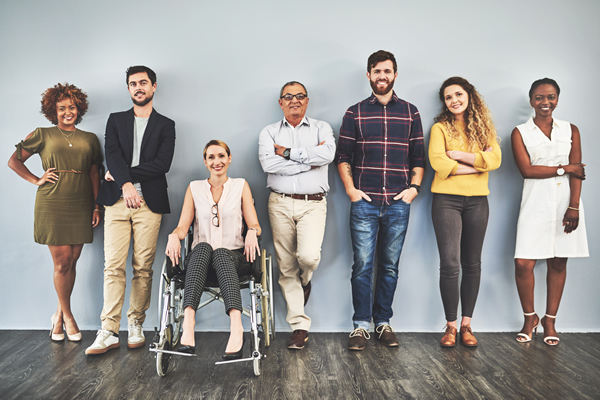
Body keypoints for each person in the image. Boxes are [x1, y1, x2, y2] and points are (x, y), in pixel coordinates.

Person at [335, 50, 425, 351]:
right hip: (364, 201)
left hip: (399, 201)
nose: (382, 76)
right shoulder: (355, 112)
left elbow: (419, 157)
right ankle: (361, 326)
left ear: (395, 74)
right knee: (362, 265)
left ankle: (383, 322)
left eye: (387, 71)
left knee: (389, 266)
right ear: (369, 75)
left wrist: (413, 188)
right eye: (376, 71)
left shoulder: (410, 112)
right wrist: (351, 190)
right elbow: (343, 156)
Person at [86, 66, 176, 355]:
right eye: (132, 84)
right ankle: (109, 330)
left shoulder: (166, 125)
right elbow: (111, 154)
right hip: (115, 202)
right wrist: (125, 184)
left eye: (143, 83)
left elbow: (162, 165)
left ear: (153, 86)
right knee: (112, 266)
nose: (138, 87)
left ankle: (136, 323)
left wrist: (123, 175)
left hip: (149, 205)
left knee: (143, 267)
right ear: (128, 89)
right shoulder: (115, 120)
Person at [8, 83, 102, 342]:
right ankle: (69, 317)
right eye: (61, 108)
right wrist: (36, 179)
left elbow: (95, 172)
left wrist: (96, 205)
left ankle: (57, 315)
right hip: (53, 202)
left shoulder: (90, 139)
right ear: (53, 111)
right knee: (62, 263)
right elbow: (14, 161)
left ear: (79, 108)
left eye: (71, 107)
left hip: (82, 202)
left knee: (72, 261)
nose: (67, 112)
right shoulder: (43, 134)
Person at [165, 140, 261, 358]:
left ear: (229, 158)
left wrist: (252, 231)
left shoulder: (240, 185)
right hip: (200, 261)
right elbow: (183, 226)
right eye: (211, 157)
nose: (217, 161)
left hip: (235, 257)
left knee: (220, 253)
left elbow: (255, 224)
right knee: (203, 248)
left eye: (221, 156)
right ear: (205, 161)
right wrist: (173, 235)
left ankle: (236, 327)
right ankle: (188, 324)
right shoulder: (194, 188)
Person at [258, 81, 335, 350]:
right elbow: (269, 163)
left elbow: (328, 154)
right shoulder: (268, 132)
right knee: (286, 264)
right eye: (288, 97)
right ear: (280, 102)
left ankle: (306, 281)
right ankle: (299, 326)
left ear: (307, 100)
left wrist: (288, 155)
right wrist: (309, 162)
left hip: (313, 203)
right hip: (278, 203)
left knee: (308, 257)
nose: (294, 100)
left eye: (299, 96)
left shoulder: (321, 128)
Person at [512, 78, 588, 346]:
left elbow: (579, 173)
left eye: (551, 97)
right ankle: (529, 317)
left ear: (558, 99)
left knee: (558, 262)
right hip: (534, 201)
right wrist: (565, 168)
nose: (546, 102)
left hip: (566, 202)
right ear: (531, 101)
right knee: (523, 262)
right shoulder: (520, 132)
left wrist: (574, 206)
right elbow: (528, 170)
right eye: (540, 98)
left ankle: (550, 321)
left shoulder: (571, 130)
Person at [429, 77, 502, 348]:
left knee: (472, 263)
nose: (454, 100)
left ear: (469, 95)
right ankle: (450, 327)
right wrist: (478, 164)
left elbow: (496, 160)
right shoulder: (439, 128)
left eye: (458, 94)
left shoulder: (484, 130)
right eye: (448, 97)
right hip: (446, 200)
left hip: (478, 201)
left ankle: (467, 325)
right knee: (450, 264)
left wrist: (458, 155)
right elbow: (438, 163)